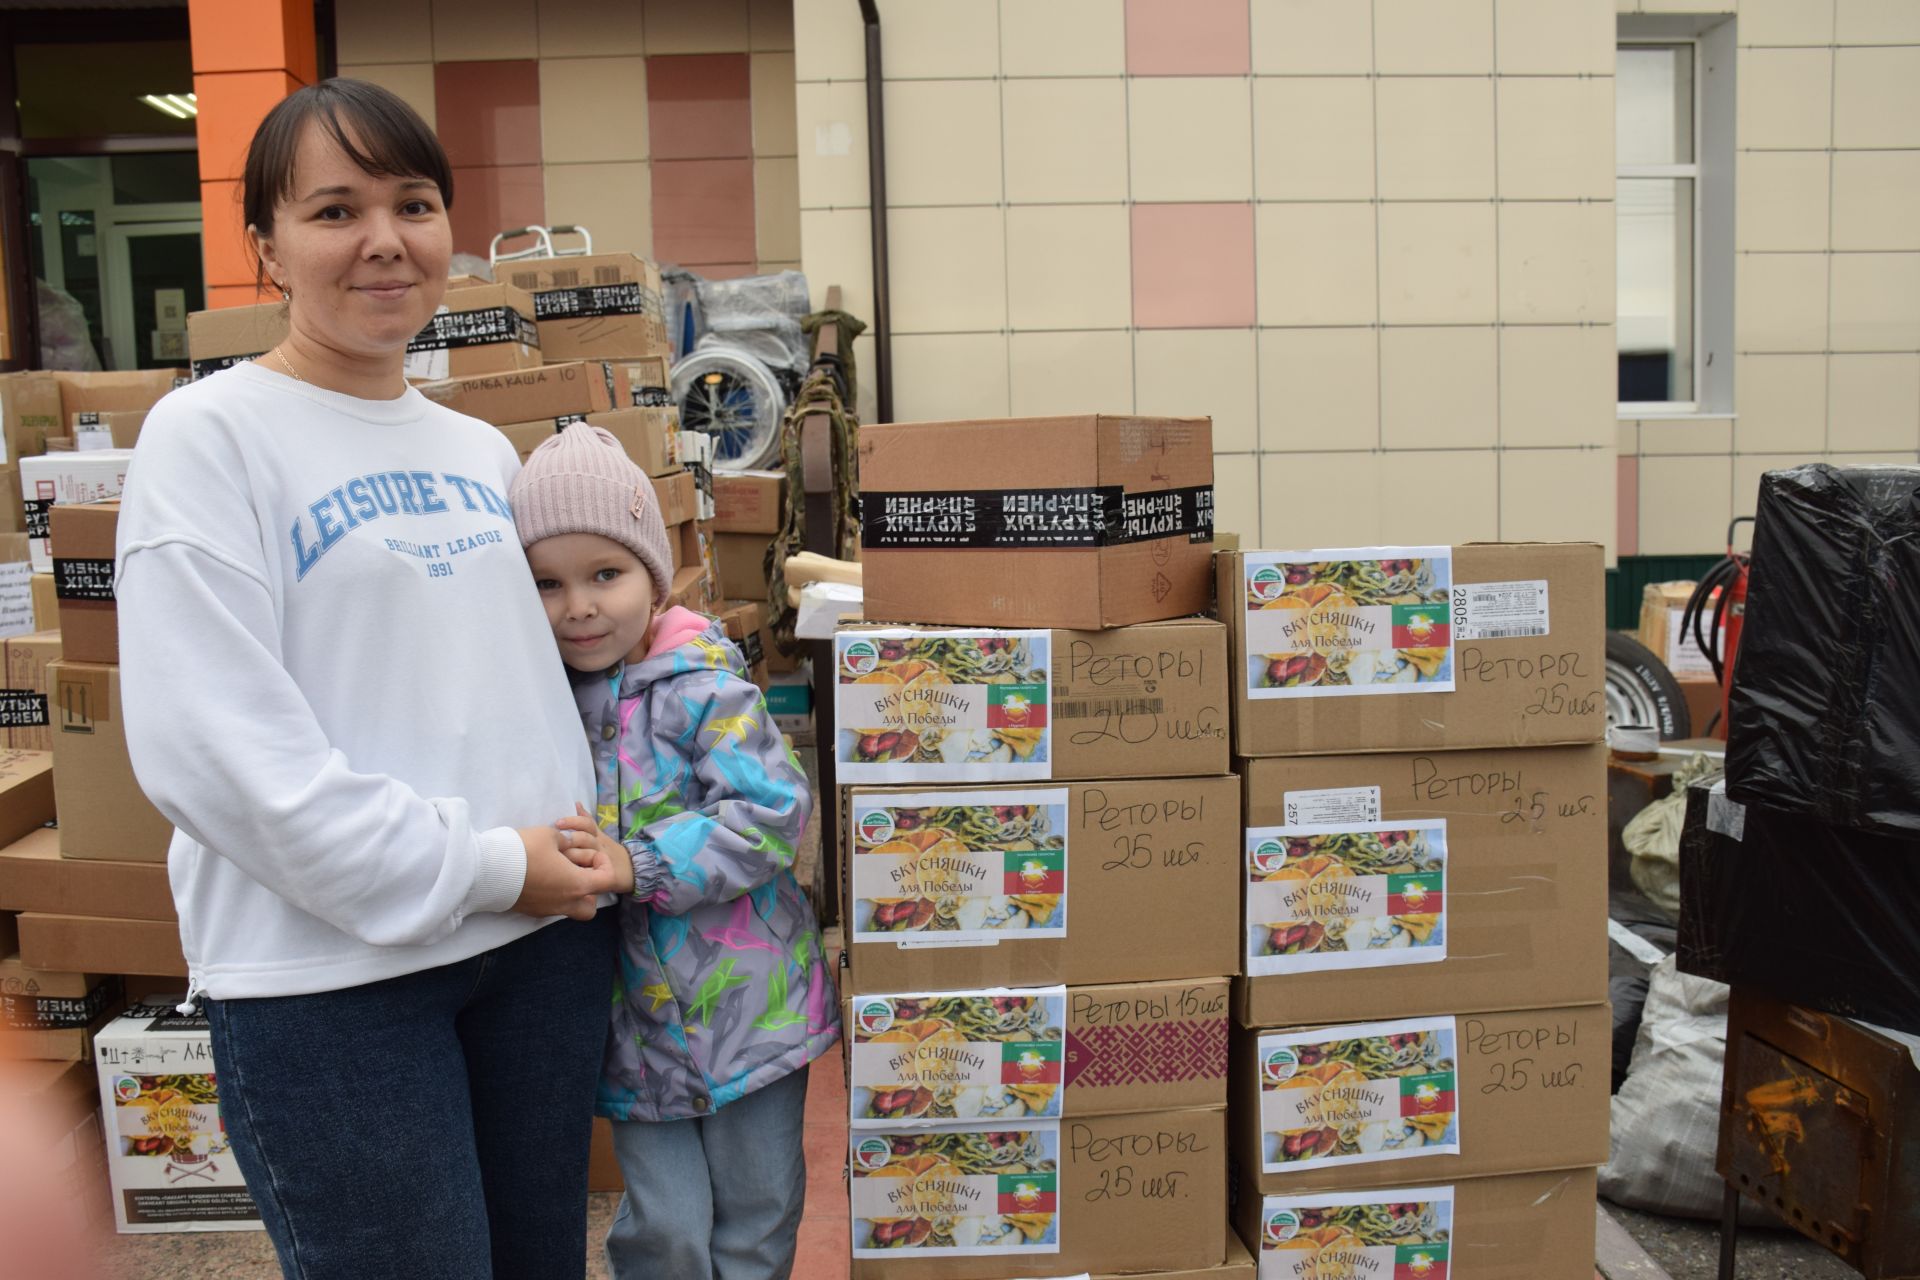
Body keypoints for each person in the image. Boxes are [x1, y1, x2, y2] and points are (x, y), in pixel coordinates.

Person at [115, 80, 622, 1278]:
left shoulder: (477, 448)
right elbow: (217, 755)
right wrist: (494, 861)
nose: (386, 239)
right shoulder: (211, 438)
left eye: (415, 202)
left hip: (537, 950)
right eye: (336, 209)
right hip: (333, 982)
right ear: (265, 247)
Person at [512, 424, 841, 1279]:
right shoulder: (540, 705)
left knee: (760, 1210)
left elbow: (770, 811)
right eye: (546, 583)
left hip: (752, 1012)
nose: (578, 605)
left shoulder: (707, 688)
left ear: (655, 583)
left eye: (605, 575)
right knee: (664, 1227)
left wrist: (638, 863)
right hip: (630, 1028)